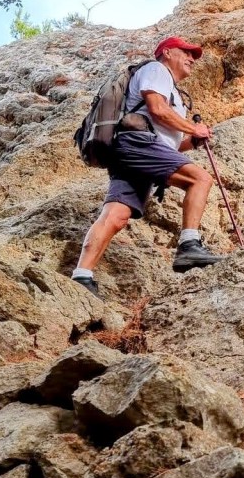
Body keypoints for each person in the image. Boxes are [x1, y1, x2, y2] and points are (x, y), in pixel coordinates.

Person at [71, 36, 224, 296]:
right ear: (166, 53)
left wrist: (192, 141)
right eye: (186, 52)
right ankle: (189, 245)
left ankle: (82, 277)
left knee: (116, 216)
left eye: (194, 56)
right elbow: (157, 110)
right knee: (200, 179)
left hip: (136, 150)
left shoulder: (172, 89)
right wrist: (193, 127)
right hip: (138, 143)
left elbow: (169, 146)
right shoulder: (156, 70)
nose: (191, 59)